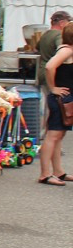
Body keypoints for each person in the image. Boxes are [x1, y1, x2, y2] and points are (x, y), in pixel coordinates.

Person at [38, 23, 73, 185]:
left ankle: (58, 172)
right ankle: (45, 174)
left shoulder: (67, 50)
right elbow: (50, 66)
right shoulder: (66, 50)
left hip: (64, 99)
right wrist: (53, 88)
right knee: (53, 135)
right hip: (60, 99)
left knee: (59, 135)